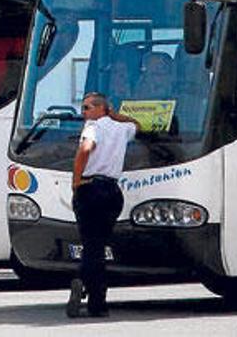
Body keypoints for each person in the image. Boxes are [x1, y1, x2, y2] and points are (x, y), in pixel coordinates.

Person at [66, 92, 140, 318]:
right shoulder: (121, 129)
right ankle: (95, 298)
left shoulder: (93, 127)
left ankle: (85, 284)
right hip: (112, 191)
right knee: (98, 244)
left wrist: (76, 180)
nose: (84, 113)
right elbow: (136, 125)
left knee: (92, 245)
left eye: (87, 107)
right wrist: (115, 115)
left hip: (90, 189)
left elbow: (85, 149)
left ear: (100, 108)